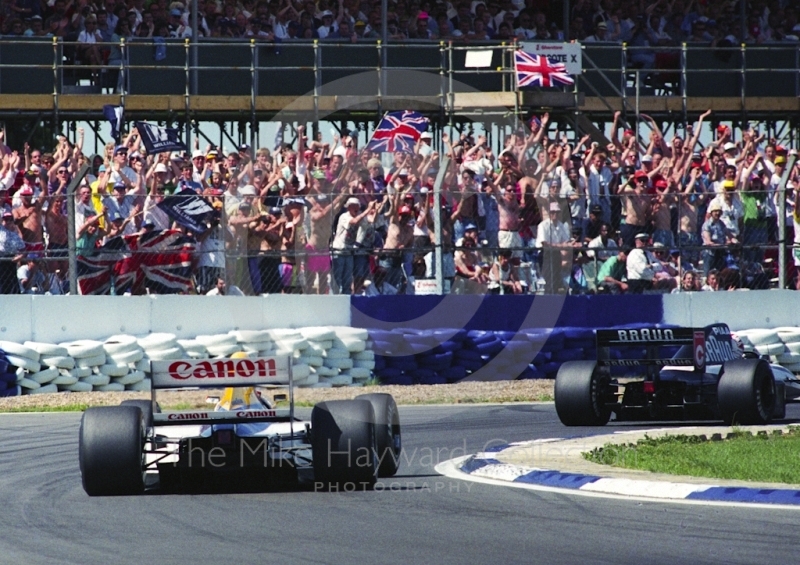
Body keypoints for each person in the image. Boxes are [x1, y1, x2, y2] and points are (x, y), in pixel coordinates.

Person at [536, 201, 574, 294]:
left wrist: (572, 243)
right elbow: (545, 244)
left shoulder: (560, 225)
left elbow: (565, 240)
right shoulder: (543, 225)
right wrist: (561, 245)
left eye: (557, 212)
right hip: (545, 254)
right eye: (553, 212)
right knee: (549, 278)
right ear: (549, 213)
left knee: (556, 277)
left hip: (556, 253)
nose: (555, 214)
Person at [0, 211, 25, 294]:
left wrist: (20, 257)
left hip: (11, 259)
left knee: (11, 280)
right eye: (6, 219)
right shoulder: (1, 230)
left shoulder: (15, 235)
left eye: (11, 220)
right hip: (1, 258)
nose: (8, 222)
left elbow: (23, 249)